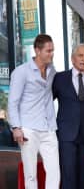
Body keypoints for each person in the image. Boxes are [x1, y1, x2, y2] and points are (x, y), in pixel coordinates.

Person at [8, 34, 60, 189]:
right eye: (48, 51)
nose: (52, 54)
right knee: (30, 173)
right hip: (28, 128)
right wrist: (16, 127)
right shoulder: (21, 72)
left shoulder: (52, 71)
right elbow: (13, 102)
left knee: (54, 172)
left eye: (53, 50)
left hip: (49, 127)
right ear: (37, 50)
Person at [52, 44, 84, 189]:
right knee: (68, 175)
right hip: (66, 134)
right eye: (80, 55)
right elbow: (46, 103)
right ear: (72, 58)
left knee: (83, 176)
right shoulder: (59, 78)